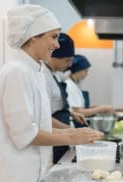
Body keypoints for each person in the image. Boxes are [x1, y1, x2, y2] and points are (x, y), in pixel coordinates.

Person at [0, 4, 103, 182]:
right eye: (53, 37)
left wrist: (75, 135)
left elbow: (40, 125)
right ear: (33, 36)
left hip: (30, 177)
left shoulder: (35, 71)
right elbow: (24, 134)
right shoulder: (16, 71)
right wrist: (71, 136)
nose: (57, 44)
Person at [42, 33, 88, 164]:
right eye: (67, 60)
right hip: (54, 137)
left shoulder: (54, 74)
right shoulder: (44, 78)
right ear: (55, 56)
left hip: (61, 135)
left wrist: (73, 114)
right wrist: (71, 132)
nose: (69, 65)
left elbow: (56, 104)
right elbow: (44, 117)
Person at [65, 55, 114, 124]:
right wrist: (100, 109)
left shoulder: (74, 85)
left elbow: (80, 108)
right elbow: (78, 112)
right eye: (85, 71)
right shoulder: (69, 86)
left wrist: (96, 107)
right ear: (78, 70)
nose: (87, 74)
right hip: (74, 124)